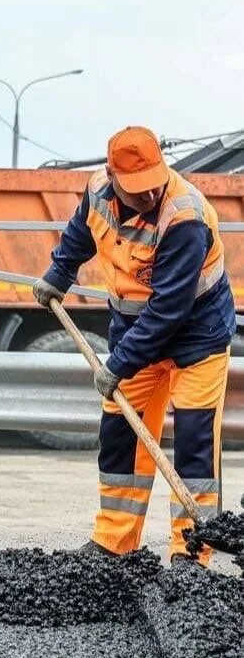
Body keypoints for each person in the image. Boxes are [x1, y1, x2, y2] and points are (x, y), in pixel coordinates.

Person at [32, 126, 235, 566]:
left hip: (196, 335)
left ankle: (191, 554)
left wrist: (117, 364)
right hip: (135, 328)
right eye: (136, 190)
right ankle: (114, 543)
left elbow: (168, 311)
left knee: (196, 440)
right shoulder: (97, 191)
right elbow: (80, 234)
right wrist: (57, 276)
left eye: (153, 185)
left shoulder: (185, 218)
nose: (148, 196)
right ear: (111, 175)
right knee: (121, 434)